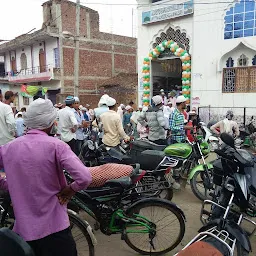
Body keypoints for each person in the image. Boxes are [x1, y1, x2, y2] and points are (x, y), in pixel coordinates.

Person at [0, 98, 92, 256]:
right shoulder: (57, 146)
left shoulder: (8, 148)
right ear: (51, 123)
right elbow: (84, 177)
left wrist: (7, 185)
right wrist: (70, 189)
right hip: (55, 230)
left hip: (23, 232)